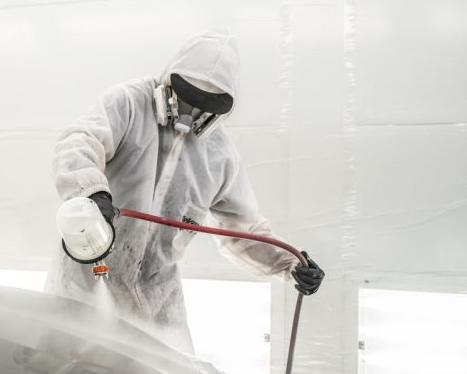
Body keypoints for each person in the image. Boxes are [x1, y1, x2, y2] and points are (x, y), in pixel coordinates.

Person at [47, 28, 324, 352]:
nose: (193, 109)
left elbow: (242, 228)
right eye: (188, 92)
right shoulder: (129, 104)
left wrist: (290, 265)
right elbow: (79, 141)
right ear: (171, 80)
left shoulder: (218, 155)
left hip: (156, 300)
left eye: (207, 101)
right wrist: (92, 194)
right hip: (84, 283)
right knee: (65, 371)